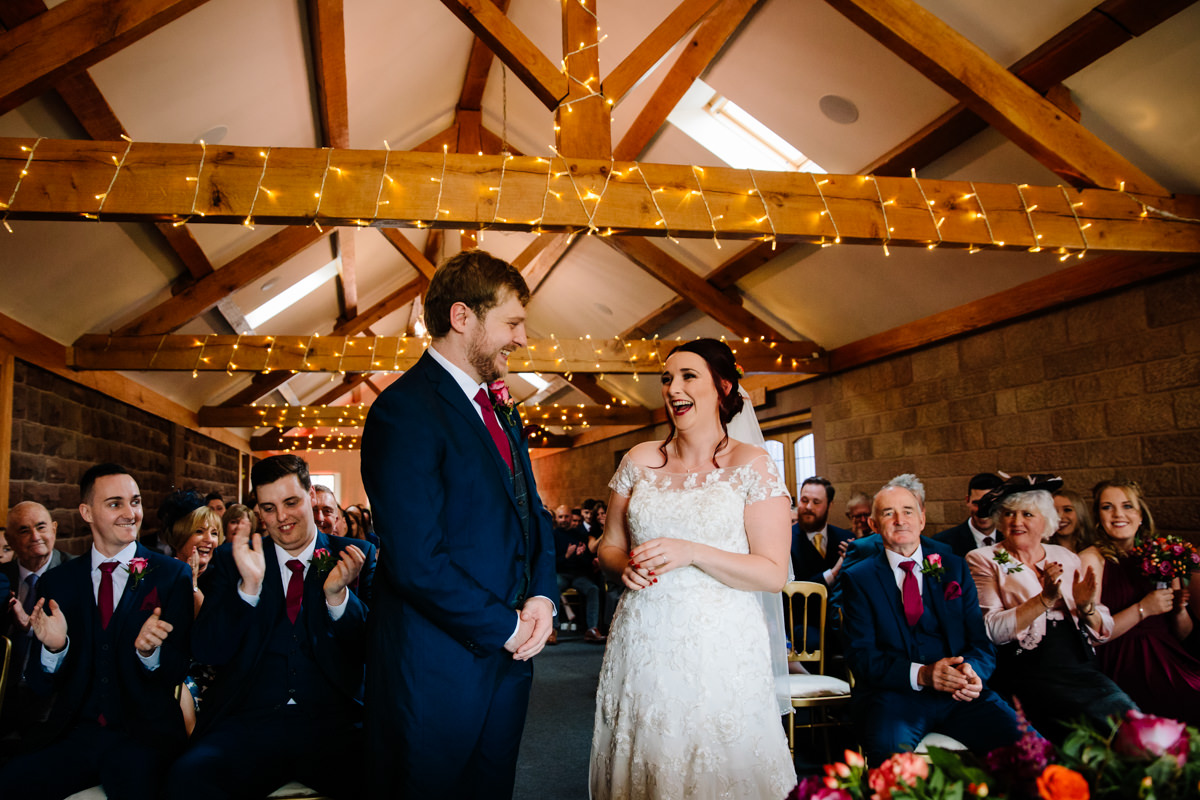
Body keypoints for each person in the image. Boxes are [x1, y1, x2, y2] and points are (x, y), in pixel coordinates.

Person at [361, 250, 557, 800]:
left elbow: (532, 513)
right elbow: (416, 560)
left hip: (508, 660)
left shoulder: (500, 406)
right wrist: (508, 626)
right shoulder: (404, 411)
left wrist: (541, 597)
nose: (522, 339)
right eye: (512, 323)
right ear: (462, 317)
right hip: (434, 668)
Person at [590, 338, 795, 799]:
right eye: (666, 379)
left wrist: (694, 551)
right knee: (647, 753)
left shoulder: (751, 465)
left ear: (722, 388)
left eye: (688, 376)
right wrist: (623, 566)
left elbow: (771, 572)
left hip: (719, 642)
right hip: (642, 638)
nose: (673, 388)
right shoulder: (639, 460)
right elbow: (609, 547)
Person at [166, 454, 374, 799]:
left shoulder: (355, 555)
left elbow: (373, 648)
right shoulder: (232, 559)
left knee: (396, 776)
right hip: (247, 724)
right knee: (186, 780)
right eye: (268, 508)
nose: (281, 518)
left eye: (291, 502)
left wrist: (338, 598)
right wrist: (246, 590)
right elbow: (206, 650)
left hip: (335, 725)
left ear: (310, 495)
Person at [0, 464, 193, 799]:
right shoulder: (59, 581)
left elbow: (176, 671)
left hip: (143, 738)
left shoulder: (170, 575)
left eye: (135, 501)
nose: (131, 513)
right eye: (115, 503)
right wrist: (55, 648)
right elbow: (39, 684)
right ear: (86, 512)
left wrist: (149, 653)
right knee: (10, 782)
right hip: (75, 733)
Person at [841, 473, 1020, 765]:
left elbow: (980, 642)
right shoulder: (859, 579)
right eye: (889, 513)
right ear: (874, 525)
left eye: (908, 511)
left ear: (922, 519)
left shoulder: (954, 568)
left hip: (961, 695)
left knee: (1031, 751)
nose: (900, 520)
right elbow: (861, 657)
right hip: (894, 698)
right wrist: (922, 674)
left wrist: (974, 673)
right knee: (890, 768)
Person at [966, 475, 1135, 742]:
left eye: (1027, 514)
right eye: (1009, 514)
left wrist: (1086, 606)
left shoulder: (1066, 557)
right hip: (1027, 671)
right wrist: (1043, 600)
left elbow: (1103, 629)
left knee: (1128, 723)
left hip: (1079, 667)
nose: (1016, 521)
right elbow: (991, 629)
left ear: (1045, 520)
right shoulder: (985, 559)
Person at [1079, 480, 1200, 725]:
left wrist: (1178, 611)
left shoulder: (1163, 554)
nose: (1118, 514)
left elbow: (1183, 633)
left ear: (1141, 515)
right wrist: (1144, 609)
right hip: (1123, 657)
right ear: (1097, 517)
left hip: (1169, 652)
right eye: (1107, 507)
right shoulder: (1091, 559)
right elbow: (1090, 634)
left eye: (1127, 506)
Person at [1, 501, 77, 739]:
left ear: (54, 529)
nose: (35, 536)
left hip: (56, 701)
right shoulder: (3, 577)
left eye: (41, 527)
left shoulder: (78, 574)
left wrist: (33, 630)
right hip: (5, 699)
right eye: (24, 530)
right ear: (10, 541)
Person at [161, 492, 224, 734]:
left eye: (214, 533)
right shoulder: (162, 573)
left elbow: (211, 633)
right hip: (167, 663)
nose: (208, 539)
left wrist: (194, 584)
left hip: (207, 665)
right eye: (200, 532)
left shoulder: (221, 578)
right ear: (180, 537)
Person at [553, 504, 605, 643]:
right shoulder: (553, 535)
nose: (563, 519)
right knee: (553, 587)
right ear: (556, 518)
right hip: (561, 574)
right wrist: (567, 556)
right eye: (560, 517)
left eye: (566, 516)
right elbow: (551, 562)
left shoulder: (580, 535)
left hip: (579, 575)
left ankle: (592, 629)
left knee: (593, 589)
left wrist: (581, 555)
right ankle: (552, 629)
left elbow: (588, 562)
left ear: (571, 517)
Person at [791, 476, 853, 586]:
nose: (809, 507)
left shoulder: (845, 539)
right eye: (804, 500)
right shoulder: (785, 540)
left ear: (829, 505)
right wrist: (833, 573)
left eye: (816, 502)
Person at [934, 473, 1005, 557]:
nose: (983, 511)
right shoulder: (942, 544)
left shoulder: (1010, 540)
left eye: (990, 504)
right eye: (977, 503)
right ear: (967, 501)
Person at [1051, 488, 1094, 553]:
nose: (1060, 517)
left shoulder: (1096, 550)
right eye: (1054, 511)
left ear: (1080, 512)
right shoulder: (1042, 552)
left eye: (1067, 510)